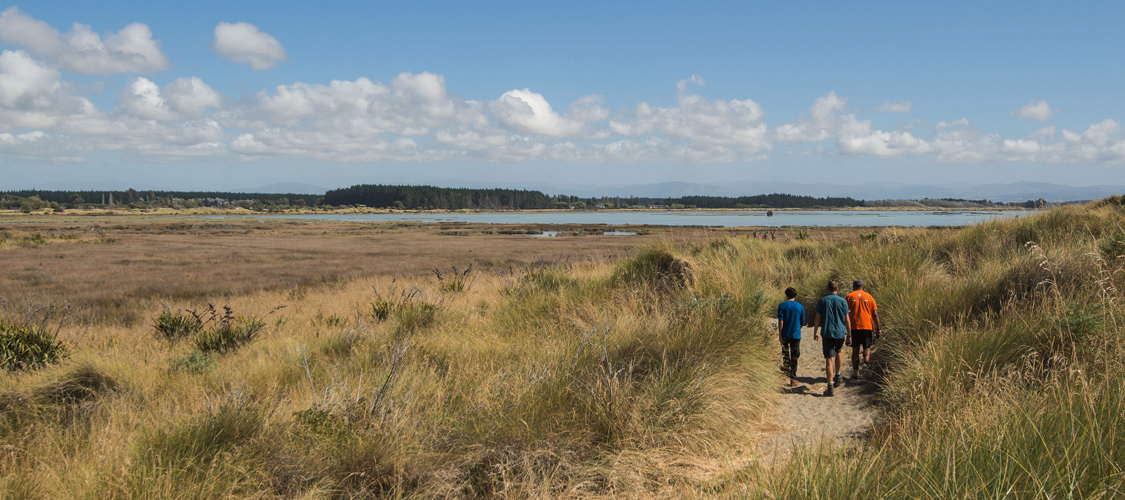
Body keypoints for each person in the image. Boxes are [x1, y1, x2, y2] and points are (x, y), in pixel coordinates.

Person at [813, 280, 850, 396]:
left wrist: (815, 331)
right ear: (837, 290)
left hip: (827, 332)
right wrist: (849, 334)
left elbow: (818, 318)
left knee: (829, 359)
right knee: (838, 352)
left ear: (827, 289)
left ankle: (830, 386)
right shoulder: (843, 301)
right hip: (839, 331)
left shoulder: (823, 301)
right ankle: (838, 375)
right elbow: (847, 319)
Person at [846, 279, 881, 381]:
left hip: (854, 327)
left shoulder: (849, 297)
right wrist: (878, 329)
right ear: (863, 287)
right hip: (867, 326)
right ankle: (866, 364)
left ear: (853, 288)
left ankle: (856, 374)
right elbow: (875, 314)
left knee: (855, 350)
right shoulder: (869, 297)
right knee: (867, 347)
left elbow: (845, 313)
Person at [777, 287, 805, 388]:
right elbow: (802, 321)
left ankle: (786, 368)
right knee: (794, 356)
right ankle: (793, 378)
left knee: (785, 354)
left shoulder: (782, 306)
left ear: (786, 295)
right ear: (795, 295)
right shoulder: (799, 306)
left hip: (785, 334)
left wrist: (780, 334)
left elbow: (781, 321)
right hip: (795, 334)